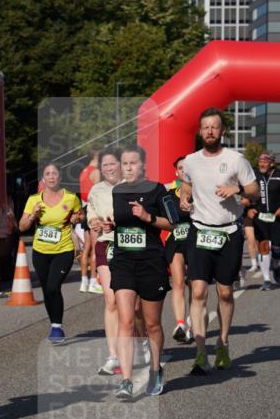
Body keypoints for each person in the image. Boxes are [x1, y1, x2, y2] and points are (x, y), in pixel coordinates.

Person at [180, 108, 258, 375]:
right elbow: (187, 184)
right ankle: (201, 353)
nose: (210, 131)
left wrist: (236, 189)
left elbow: (254, 191)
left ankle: (223, 342)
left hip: (228, 233)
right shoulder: (190, 160)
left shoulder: (236, 160)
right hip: (200, 230)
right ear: (200, 131)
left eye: (214, 127)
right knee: (198, 291)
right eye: (205, 127)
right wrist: (184, 195)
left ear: (222, 131)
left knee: (224, 292)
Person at [104, 145, 172, 397]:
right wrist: (112, 225)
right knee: (126, 320)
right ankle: (127, 380)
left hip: (151, 262)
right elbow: (123, 224)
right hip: (123, 261)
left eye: (133, 163)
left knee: (152, 323)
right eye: (125, 163)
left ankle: (155, 371)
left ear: (144, 166)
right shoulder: (118, 191)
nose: (128, 167)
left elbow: (173, 224)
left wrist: (148, 217)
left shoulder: (158, 190)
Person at [19, 163, 82, 342]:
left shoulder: (71, 198)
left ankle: (57, 327)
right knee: (47, 289)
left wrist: (77, 218)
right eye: (48, 174)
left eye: (55, 173)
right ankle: (54, 325)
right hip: (40, 251)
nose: (52, 176)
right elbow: (22, 226)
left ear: (60, 177)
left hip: (63, 249)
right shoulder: (33, 199)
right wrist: (32, 215)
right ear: (43, 179)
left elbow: (80, 215)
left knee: (53, 286)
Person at [86, 149, 124, 376]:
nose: (109, 168)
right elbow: (91, 213)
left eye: (113, 164)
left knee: (133, 304)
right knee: (111, 300)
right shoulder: (96, 190)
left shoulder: (131, 186)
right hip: (106, 246)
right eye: (105, 165)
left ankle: (141, 342)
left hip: (129, 245)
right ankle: (114, 355)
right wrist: (94, 222)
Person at [247, 152, 280, 291]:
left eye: (265, 161)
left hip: (277, 217)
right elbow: (246, 192)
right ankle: (266, 279)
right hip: (260, 217)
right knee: (263, 246)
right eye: (260, 161)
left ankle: (276, 266)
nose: (261, 164)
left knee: (277, 249)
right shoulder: (254, 175)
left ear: (271, 163)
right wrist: (249, 208)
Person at [165, 155, 193, 343]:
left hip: (196, 240)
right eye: (180, 168)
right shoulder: (169, 193)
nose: (183, 170)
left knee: (195, 285)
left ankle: (192, 319)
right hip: (175, 240)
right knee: (178, 283)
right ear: (177, 172)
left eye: (187, 167)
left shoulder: (200, 191)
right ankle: (181, 323)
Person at [77, 151, 102, 294]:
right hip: (93, 209)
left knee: (86, 248)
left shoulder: (84, 171)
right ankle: (93, 281)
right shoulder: (96, 171)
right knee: (95, 247)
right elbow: (99, 192)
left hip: (85, 208)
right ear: (97, 156)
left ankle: (83, 281)